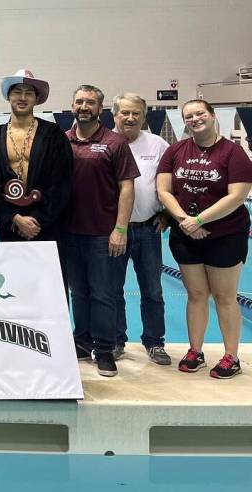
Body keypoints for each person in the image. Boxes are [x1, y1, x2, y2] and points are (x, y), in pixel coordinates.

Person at [157, 99, 252, 379]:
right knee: (196, 295)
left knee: (224, 297)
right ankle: (195, 351)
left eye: (200, 113)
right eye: (189, 116)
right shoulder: (175, 151)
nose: (195, 119)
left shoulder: (233, 153)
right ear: (184, 121)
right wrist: (185, 220)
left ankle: (230, 356)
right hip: (186, 234)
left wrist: (199, 220)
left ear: (212, 116)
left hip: (224, 236)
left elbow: (236, 196)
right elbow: (164, 190)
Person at [63, 84, 140, 378]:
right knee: (78, 292)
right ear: (72, 106)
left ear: (100, 108)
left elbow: (127, 187)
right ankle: (81, 341)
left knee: (103, 294)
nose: (84, 106)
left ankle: (105, 349)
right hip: (70, 232)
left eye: (91, 102)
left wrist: (120, 228)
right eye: (80, 101)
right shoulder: (64, 140)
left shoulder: (114, 142)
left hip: (101, 233)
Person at [0, 69, 74, 303]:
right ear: (9, 97)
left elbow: (63, 181)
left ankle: (55, 339)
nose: (23, 97)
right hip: (11, 227)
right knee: (13, 288)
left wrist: (38, 220)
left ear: (37, 99)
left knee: (51, 288)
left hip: (47, 226)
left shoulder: (53, 134)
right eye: (17, 92)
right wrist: (13, 217)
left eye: (29, 93)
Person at [111, 92, 171, 365]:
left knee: (153, 290)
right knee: (112, 290)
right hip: (113, 231)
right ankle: (115, 341)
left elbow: (172, 182)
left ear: (144, 117)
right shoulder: (106, 143)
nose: (130, 118)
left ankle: (155, 342)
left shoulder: (157, 144)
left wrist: (168, 214)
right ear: (114, 115)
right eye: (125, 112)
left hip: (148, 229)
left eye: (136, 113)